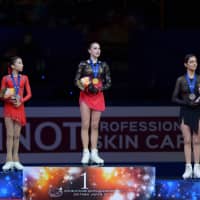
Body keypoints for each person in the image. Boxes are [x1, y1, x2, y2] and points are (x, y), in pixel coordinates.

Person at [74, 42, 111, 164]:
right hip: (86, 95)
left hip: (98, 96)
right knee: (85, 124)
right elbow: (76, 80)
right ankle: (85, 152)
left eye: (99, 48)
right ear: (89, 51)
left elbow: (108, 82)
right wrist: (86, 88)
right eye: (95, 48)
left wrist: (99, 89)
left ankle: (94, 153)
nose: (98, 50)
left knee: (95, 126)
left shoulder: (104, 65)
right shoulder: (83, 64)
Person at [0, 56, 32, 170]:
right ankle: (8, 160)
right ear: (13, 66)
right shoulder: (5, 78)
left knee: (17, 135)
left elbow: (29, 94)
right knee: (9, 135)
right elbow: (2, 95)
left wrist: (20, 101)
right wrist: (11, 99)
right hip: (9, 108)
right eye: (20, 63)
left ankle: (16, 159)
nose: (22, 65)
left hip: (20, 108)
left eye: (22, 63)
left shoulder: (24, 78)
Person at [172, 54, 200, 179]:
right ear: (186, 64)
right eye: (191, 62)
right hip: (185, 111)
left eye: (195, 62)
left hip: (198, 111)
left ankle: (197, 168)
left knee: (197, 140)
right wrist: (186, 102)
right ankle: (188, 168)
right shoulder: (180, 80)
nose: (194, 64)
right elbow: (173, 98)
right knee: (187, 140)